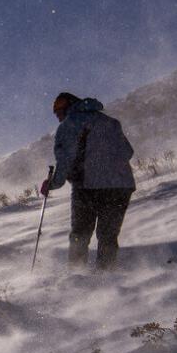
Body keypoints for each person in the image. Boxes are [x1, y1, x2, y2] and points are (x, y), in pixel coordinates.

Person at [41, 93, 135, 270]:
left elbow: (65, 161)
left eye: (58, 111)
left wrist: (52, 184)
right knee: (108, 236)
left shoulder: (68, 126)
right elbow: (128, 152)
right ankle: (106, 277)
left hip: (89, 186)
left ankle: (77, 276)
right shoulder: (110, 122)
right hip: (121, 186)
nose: (58, 116)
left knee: (80, 235)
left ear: (68, 107)